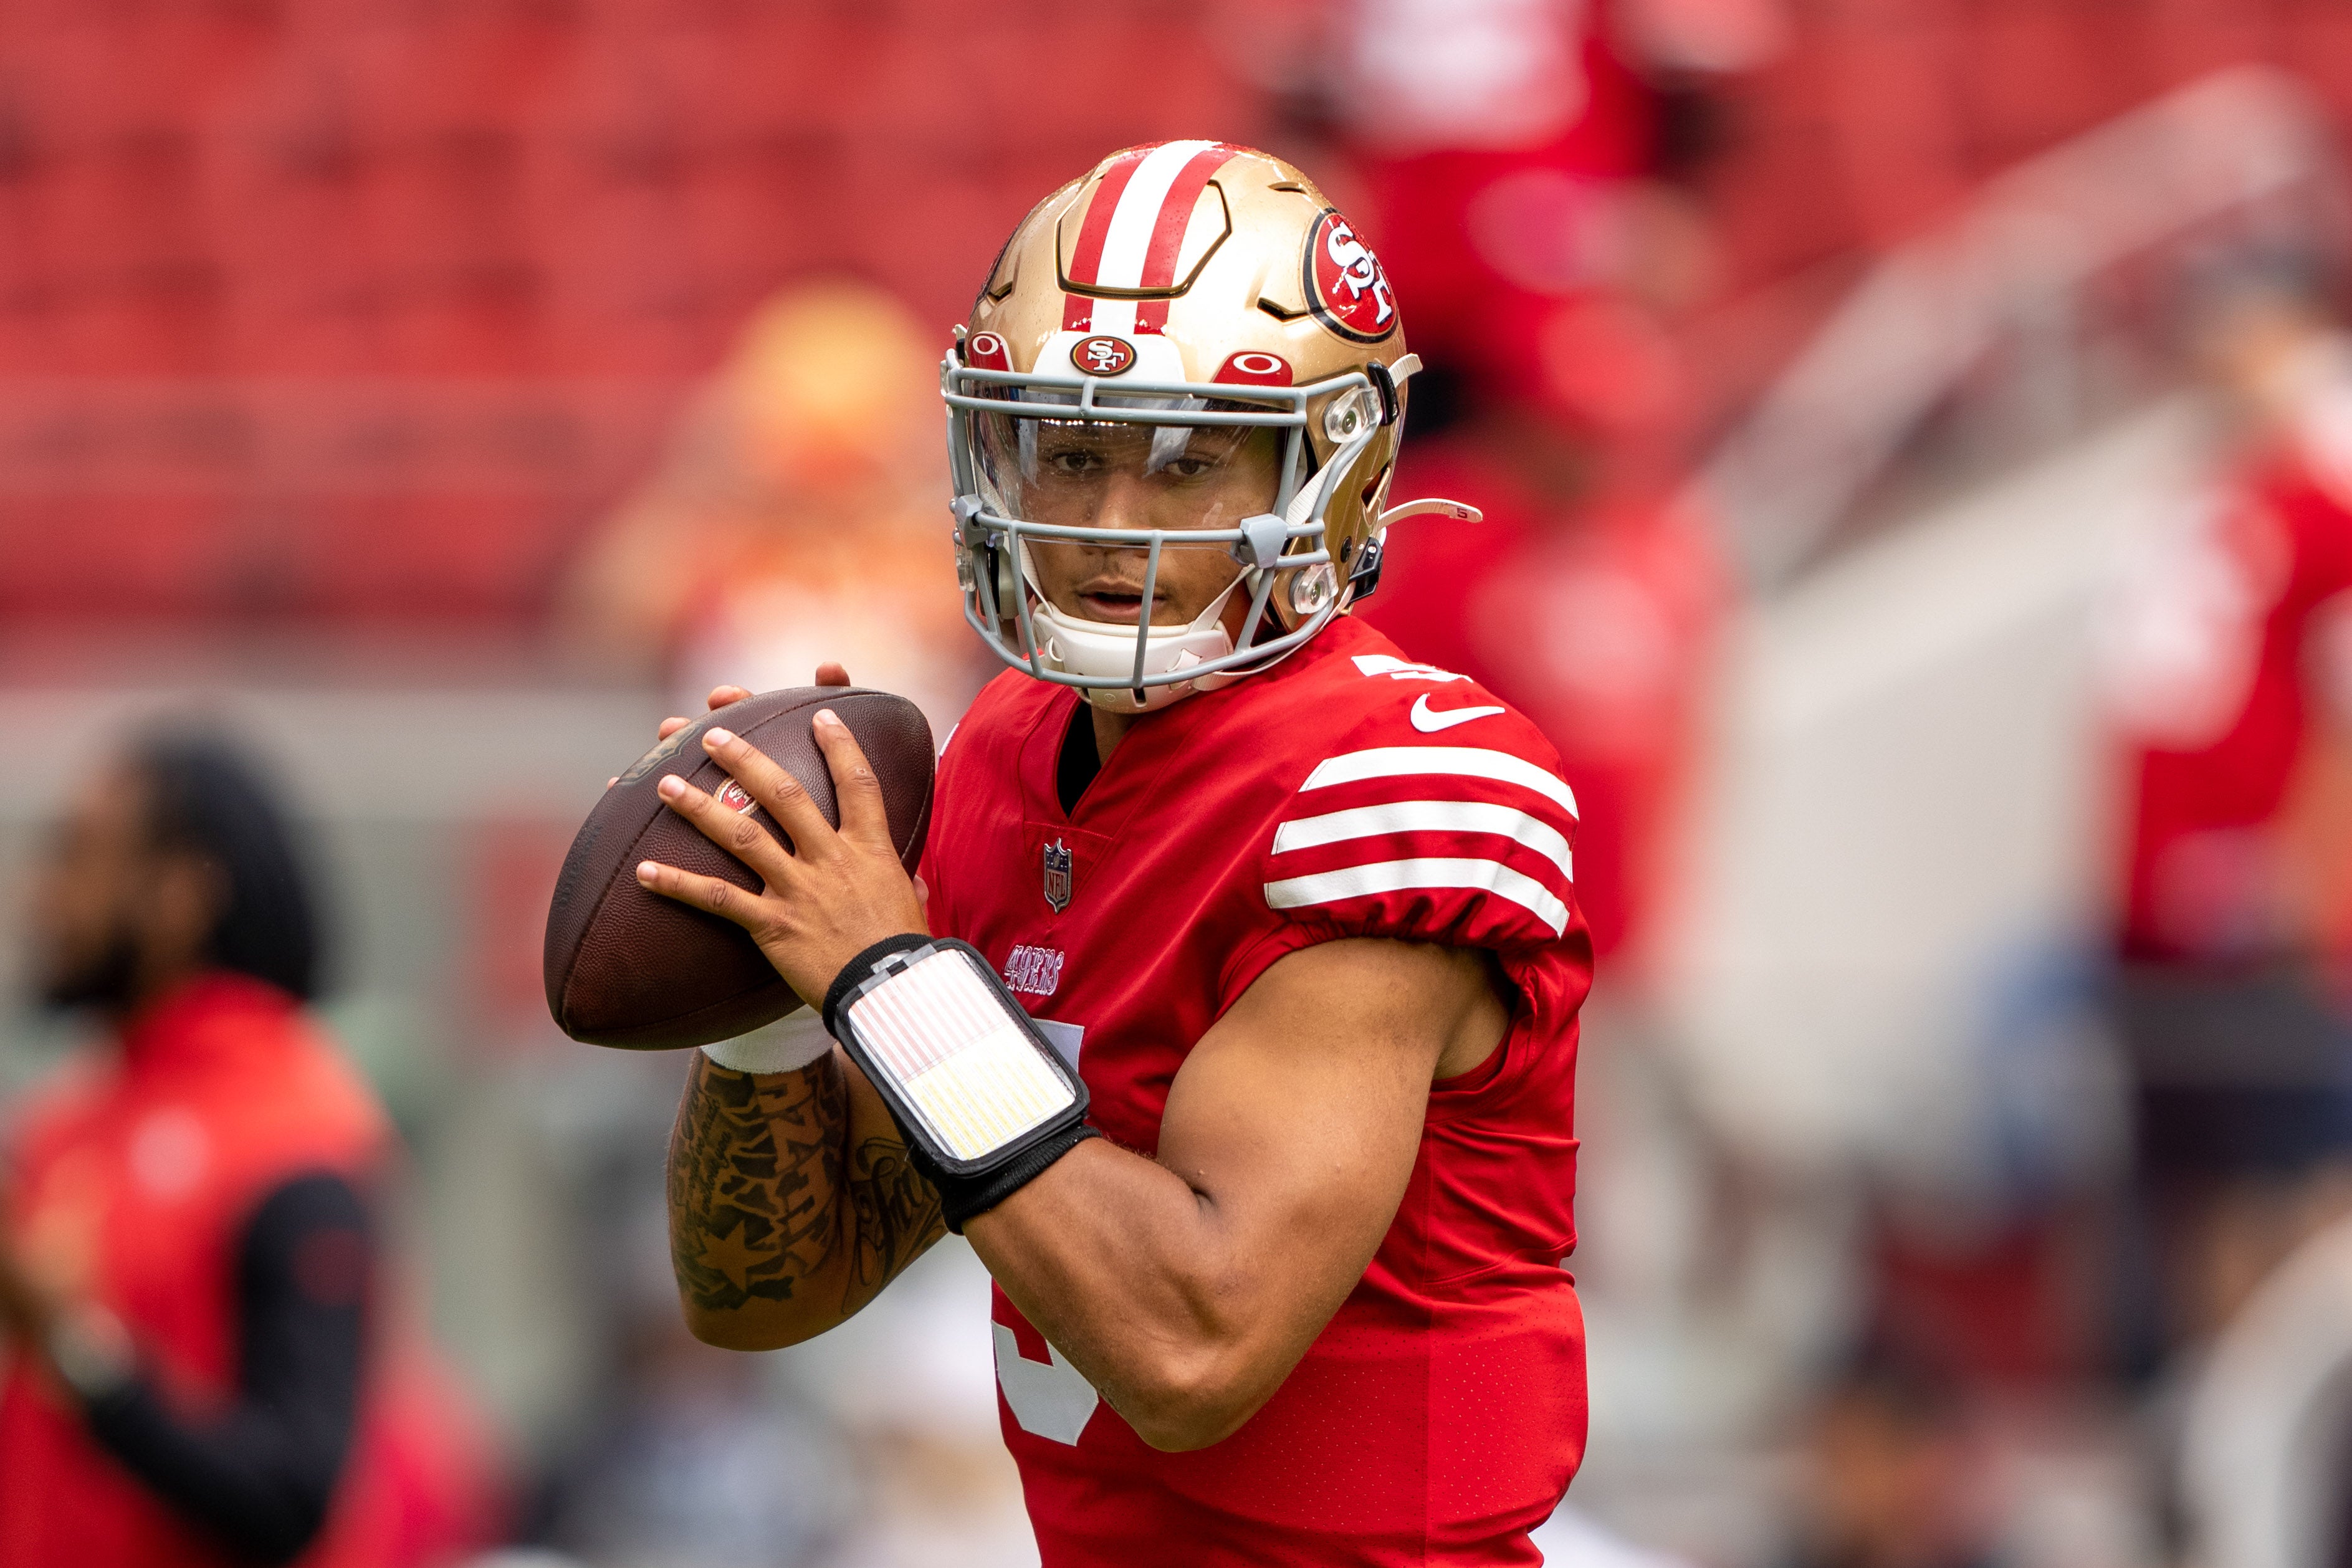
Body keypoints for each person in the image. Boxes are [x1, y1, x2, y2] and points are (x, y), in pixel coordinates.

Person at [639, 143, 1590, 1563]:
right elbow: (766, 1289)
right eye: (1069, 453)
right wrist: (773, 988)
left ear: (1329, 469)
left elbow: (1193, 1346)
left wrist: (885, 972)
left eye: (1187, 460)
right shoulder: (1005, 757)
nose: (1104, 526)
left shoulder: (1385, 789)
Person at [0, 729, 489, 1567]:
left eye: (81, 852)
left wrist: (77, 1348)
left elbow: (292, 1492)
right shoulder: (66, 1124)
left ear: (181, 897)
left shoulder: (295, 1133)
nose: (47, 896)